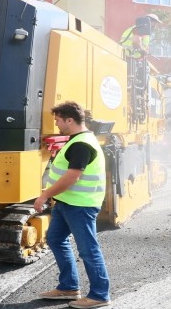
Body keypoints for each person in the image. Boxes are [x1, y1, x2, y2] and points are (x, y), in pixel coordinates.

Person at [34, 101, 111, 308]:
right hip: (66, 202)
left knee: (88, 249)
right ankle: (68, 287)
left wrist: (44, 195)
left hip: (80, 205)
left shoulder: (81, 144)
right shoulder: (76, 140)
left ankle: (99, 294)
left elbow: (72, 177)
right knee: (56, 238)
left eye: (58, 120)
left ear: (70, 120)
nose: (57, 124)